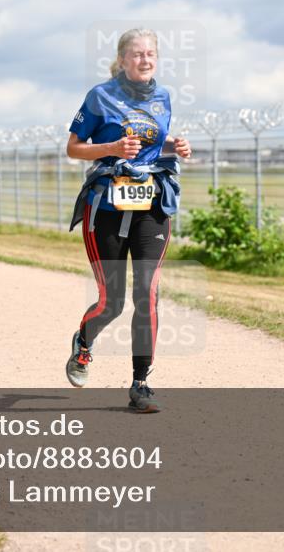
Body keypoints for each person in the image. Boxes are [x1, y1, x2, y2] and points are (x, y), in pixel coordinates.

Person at [64, 28, 191, 413]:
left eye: (151, 53)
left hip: (151, 202)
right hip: (105, 207)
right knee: (112, 301)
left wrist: (175, 146)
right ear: (122, 60)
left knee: (147, 293)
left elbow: (154, 143)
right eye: (137, 54)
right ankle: (83, 343)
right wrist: (113, 148)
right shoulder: (100, 96)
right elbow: (73, 148)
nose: (145, 60)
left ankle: (140, 384)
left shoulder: (163, 96)